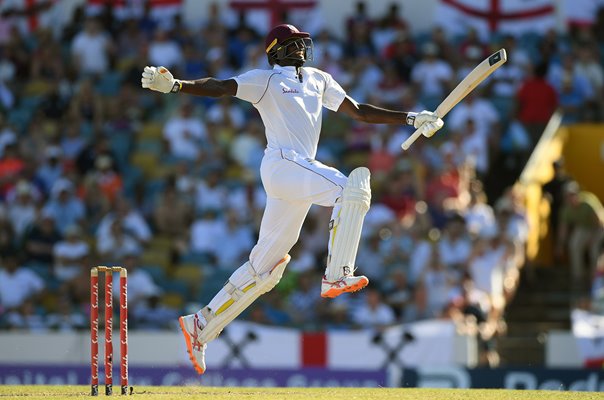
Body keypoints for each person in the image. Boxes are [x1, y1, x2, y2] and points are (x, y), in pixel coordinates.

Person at [141, 23, 444, 375]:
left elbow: (358, 111)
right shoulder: (266, 79)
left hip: (298, 174)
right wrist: (178, 85)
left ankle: (201, 325)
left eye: (303, 44)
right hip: (282, 163)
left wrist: (410, 118)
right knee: (353, 188)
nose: (301, 50)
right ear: (276, 50)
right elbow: (222, 87)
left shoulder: (318, 79)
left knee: (265, 270)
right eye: (293, 45)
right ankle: (337, 274)